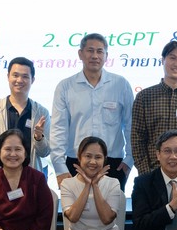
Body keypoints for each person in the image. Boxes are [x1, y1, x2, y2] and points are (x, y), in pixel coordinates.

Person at [51, 33, 135, 190]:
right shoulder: (65, 87)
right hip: (75, 163)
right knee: (76, 206)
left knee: (111, 207)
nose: (95, 56)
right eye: (90, 50)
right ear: (80, 54)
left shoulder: (121, 85)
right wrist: (60, 167)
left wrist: (129, 160)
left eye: (100, 51)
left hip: (113, 163)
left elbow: (131, 125)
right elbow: (58, 129)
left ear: (106, 56)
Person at [131, 39, 177, 174]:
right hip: (152, 168)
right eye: (172, 58)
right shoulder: (144, 97)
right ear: (163, 60)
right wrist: (145, 171)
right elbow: (137, 138)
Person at [59, 136, 127, 230]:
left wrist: (95, 185)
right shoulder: (67, 184)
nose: (93, 162)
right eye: (88, 156)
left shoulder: (113, 183)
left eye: (98, 157)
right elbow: (73, 217)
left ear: (104, 159)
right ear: (79, 157)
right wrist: (87, 185)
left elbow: (107, 218)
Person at [0, 57, 52, 178]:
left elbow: (45, 152)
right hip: (1, 179)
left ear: (32, 80)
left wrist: (39, 137)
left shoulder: (41, 113)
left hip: (31, 179)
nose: (19, 80)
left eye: (25, 76)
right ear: (8, 77)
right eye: (15, 75)